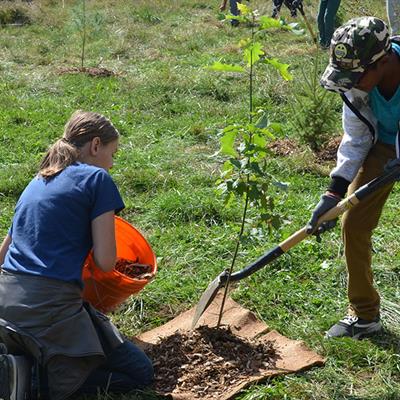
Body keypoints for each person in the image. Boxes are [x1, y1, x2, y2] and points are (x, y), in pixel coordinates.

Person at [0, 111, 154, 399]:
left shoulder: (37, 181)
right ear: (96, 145)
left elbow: (3, 255)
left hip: (5, 308)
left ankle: (20, 365)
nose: (112, 163)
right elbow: (107, 262)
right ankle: (34, 384)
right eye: (113, 153)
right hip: (48, 308)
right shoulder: (98, 179)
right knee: (140, 372)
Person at [307, 17, 400, 339]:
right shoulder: (355, 85)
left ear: (384, 61)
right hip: (383, 147)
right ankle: (365, 316)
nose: (351, 84)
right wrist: (334, 193)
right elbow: (357, 138)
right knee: (354, 224)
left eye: (357, 76)